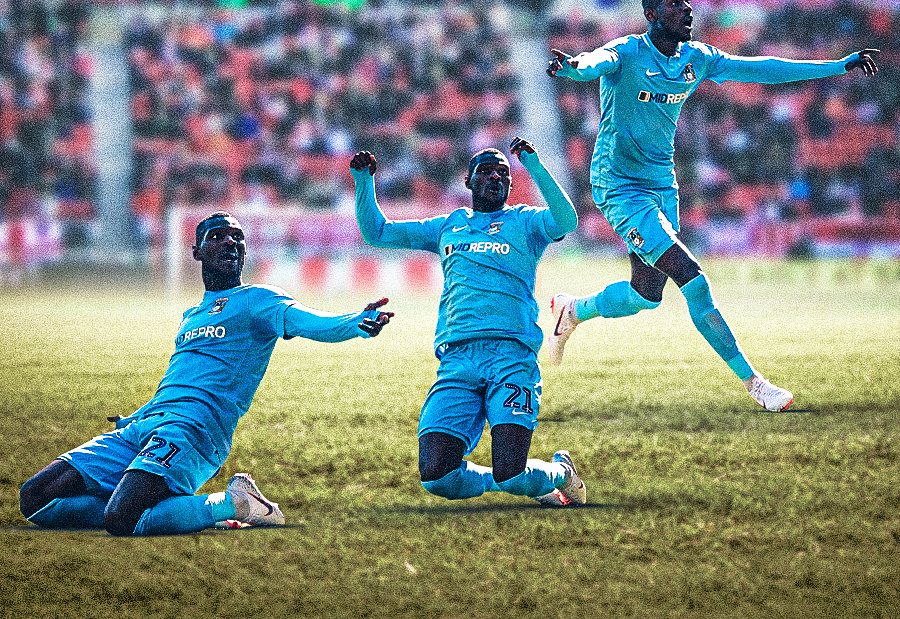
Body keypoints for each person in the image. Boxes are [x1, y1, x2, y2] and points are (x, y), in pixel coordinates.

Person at [545, 0, 880, 411]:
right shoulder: (627, 51)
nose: (687, 8)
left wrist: (838, 66)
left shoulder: (697, 58)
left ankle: (573, 310)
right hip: (619, 187)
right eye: (675, 3)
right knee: (693, 278)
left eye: (688, 2)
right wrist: (573, 67)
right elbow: (595, 62)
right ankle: (756, 383)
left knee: (645, 294)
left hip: (661, 185)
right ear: (651, 15)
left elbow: (762, 69)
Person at [20, 212, 393, 536]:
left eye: (237, 237)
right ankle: (144, 501)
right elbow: (179, 379)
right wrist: (135, 416)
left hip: (195, 429)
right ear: (197, 252)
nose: (230, 242)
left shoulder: (259, 300)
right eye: (217, 236)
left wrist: (357, 323)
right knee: (35, 498)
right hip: (144, 427)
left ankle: (237, 503)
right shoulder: (191, 316)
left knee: (123, 519)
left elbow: (312, 322)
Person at [350, 138, 586, 507]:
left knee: (513, 473)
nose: (495, 177)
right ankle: (507, 480)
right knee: (438, 477)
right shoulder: (448, 225)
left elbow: (567, 220)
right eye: (486, 171)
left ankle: (561, 473)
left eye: (503, 172)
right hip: (457, 360)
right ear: (468, 180)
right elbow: (375, 232)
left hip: (511, 356)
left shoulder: (525, 222)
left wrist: (534, 166)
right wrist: (364, 181)